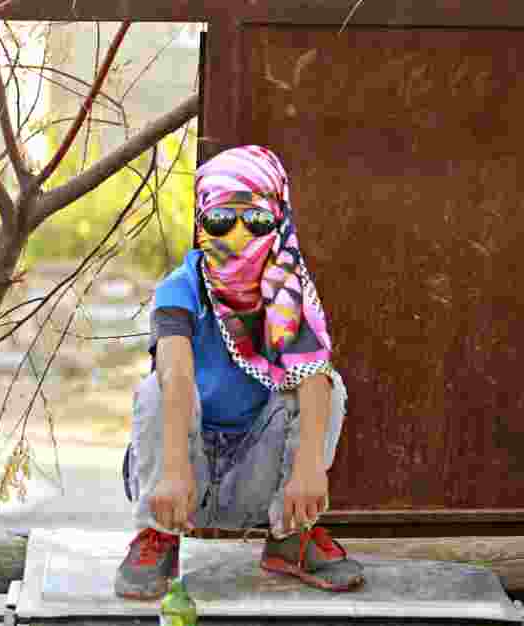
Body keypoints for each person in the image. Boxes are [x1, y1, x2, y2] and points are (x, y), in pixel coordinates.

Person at [115, 145, 365, 600]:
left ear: (279, 218)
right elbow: (176, 374)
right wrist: (174, 471)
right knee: (156, 389)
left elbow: (312, 375)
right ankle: (157, 536)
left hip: (255, 477)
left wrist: (310, 470)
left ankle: (291, 536)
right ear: (201, 224)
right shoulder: (182, 288)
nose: (238, 234)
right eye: (220, 219)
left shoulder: (290, 291)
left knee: (327, 384)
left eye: (256, 220)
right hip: (183, 478)